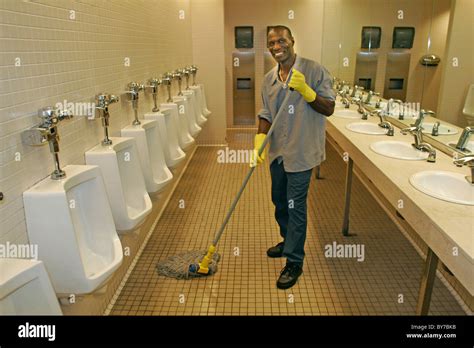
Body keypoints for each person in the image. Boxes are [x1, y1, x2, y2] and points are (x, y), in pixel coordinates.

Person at [254, 25, 335, 289]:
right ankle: (287, 240)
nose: (277, 47)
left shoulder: (314, 71)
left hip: (302, 152)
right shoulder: (269, 79)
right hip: (278, 152)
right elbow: (266, 113)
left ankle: (294, 261)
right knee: (279, 200)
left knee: (294, 206)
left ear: (292, 41)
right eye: (271, 43)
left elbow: (329, 107)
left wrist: (308, 92)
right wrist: (259, 141)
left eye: (281, 41)